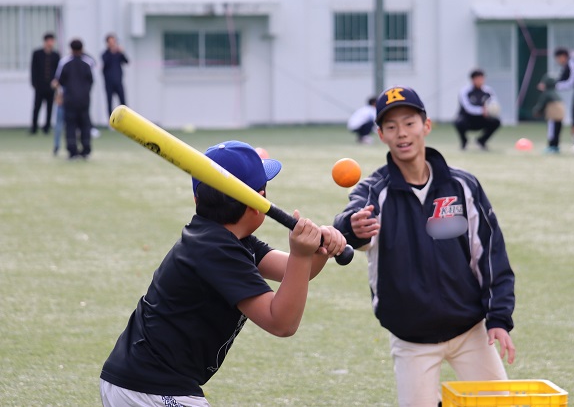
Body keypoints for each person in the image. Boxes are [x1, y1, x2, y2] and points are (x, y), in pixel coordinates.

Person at [100, 140, 347, 406]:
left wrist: (316, 251)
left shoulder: (225, 239)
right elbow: (282, 322)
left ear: (197, 199)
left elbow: (297, 273)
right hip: (150, 386)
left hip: (142, 380)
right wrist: (301, 254)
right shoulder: (216, 250)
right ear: (258, 202)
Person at [334, 87, 516, 407]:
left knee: (500, 405)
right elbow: (349, 224)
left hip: (470, 330)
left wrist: (498, 317)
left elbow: (489, 253)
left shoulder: (463, 186)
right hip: (411, 338)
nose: (402, 133)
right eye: (391, 127)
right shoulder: (374, 191)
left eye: (409, 123)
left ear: (426, 126)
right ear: (381, 135)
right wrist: (352, 228)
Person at [54, 39, 96, 159]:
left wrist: (59, 96)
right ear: (82, 48)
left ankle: (72, 151)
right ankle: (86, 150)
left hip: (69, 100)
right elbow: (91, 81)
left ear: (71, 49)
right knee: (85, 125)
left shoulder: (65, 62)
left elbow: (59, 81)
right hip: (84, 100)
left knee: (70, 125)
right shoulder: (88, 62)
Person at [454, 69, 501, 150]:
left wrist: (491, 111)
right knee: (458, 122)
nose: (480, 80)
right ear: (473, 79)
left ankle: (481, 141)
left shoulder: (488, 91)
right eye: (478, 78)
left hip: (482, 119)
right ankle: (464, 142)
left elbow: (493, 104)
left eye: (482, 78)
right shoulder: (465, 91)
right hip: (468, 119)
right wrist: (482, 110)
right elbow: (467, 107)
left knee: (496, 121)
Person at [30, 33, 60, 134]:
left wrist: (57, 82)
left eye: (52, 41)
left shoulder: (56, 55)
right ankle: (34, 127)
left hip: (51, 86)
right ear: (45, 42)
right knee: (36, 107)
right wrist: (34, 83)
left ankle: (47, 127)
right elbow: (33, 69)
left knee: (50, 108)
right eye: (49, 41)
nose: (50, 43)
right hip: (40, 85)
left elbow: (58, 70)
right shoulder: (37, 53)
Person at [532, 75, 565, 153]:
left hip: (553, 116)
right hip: (560, 116)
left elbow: (541, 104)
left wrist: (536, 111)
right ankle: (556, 146)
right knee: (557, 131)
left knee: (551, 131)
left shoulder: (547, 93)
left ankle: (551, 146)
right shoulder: (555, 93)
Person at [102, 34, 129, 119]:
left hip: (118, 81)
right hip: (109, 83)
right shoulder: (105, 54)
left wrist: (121, 52)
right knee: (109, 102)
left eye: (113, 41)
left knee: (123, 102)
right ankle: (111, 120)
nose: (112, 43)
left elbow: (126, 61)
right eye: (110, 42)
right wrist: (112, 51)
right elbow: (105, 62)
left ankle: (125, 119)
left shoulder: (119, 54)